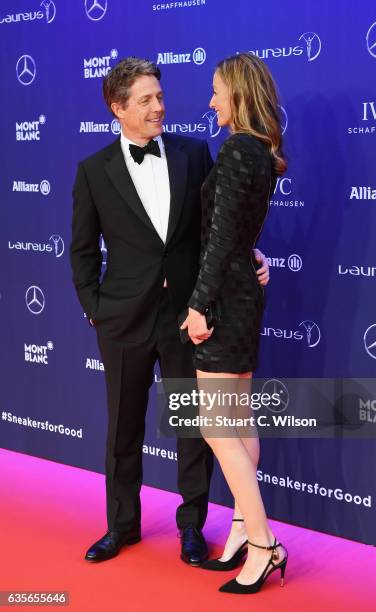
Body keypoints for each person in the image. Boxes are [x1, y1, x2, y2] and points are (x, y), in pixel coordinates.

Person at [70, 56, 270, 565]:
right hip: (123, 319)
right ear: (118, 108)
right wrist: (96, 309)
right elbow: (83, 250)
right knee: (123, 429)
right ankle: (121, 527)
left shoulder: (194, 153)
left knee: (192, 427)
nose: (159, 106)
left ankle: (191, 528)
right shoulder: (94, 171)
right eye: (145, 100)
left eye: (160, 96)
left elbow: (219, 229)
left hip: (189, 316)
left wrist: (251, 257)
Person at [181, 53, 288, 594]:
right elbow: (239, 234)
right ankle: (245, 530)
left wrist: (199, 305)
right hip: (242, 293)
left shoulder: (237, 148)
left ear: (239, 94)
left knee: (218, 427)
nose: (211, 101)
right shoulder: (257, 150)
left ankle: (266, 544)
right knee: (237, 423)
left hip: (224, 301)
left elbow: (222, 239)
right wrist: (251, 256)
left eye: (216, 90)